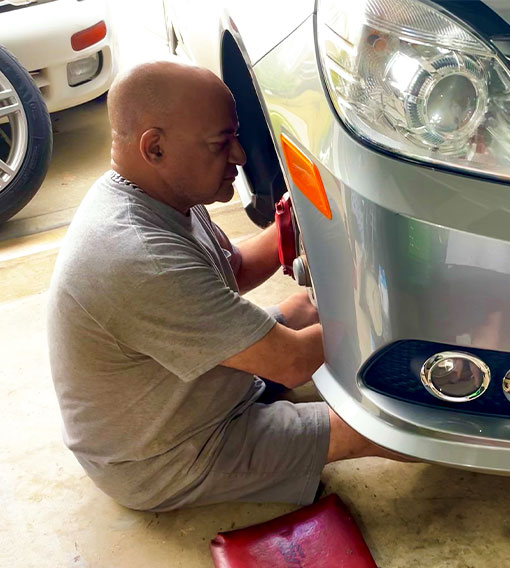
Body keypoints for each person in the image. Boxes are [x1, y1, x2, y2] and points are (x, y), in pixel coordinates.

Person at [47, 60, 409, 512]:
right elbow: (292, 362)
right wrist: (402, 319)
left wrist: (298, 215)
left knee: (305, 308)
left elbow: (231, 271)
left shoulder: (154, 194)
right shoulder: (141, 257)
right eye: (221, 143)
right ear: (155, 147)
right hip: (169, 455)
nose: (239, 155)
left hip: (182, 393)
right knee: (374, 423)